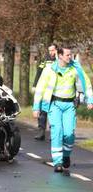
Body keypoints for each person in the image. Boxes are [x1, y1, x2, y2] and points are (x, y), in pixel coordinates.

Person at [32, 45, 93, 176]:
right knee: (57, 131)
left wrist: (90, 100)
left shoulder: (75, 68)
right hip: (54, 104)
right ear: (59, 55)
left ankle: (66, 155)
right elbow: (40, 88)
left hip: (69, 105)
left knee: (69, 134)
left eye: (70, 55)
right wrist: (36, 107)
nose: (70, 57)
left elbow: (86, 83)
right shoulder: (49, 69)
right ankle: (58, 162)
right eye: (67, 55)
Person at [32, 44, 57, 140]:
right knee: (43, 111)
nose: (51, 52)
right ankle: (41, 132)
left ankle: (53, 133)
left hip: (55, 91)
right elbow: (39, 71)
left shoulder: (60, 60)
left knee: (53, 112)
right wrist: (35, 85)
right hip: (45, 90)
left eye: (53, 50)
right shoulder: (45, 60)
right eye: (50, 50)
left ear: (56, 50)